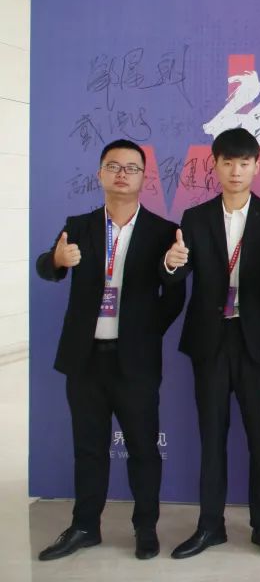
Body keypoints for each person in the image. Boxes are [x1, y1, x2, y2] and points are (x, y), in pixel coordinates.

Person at [36, 139, 185, 561]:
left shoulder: (163, 231)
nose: (122, 173)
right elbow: (47, 267)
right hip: (84, 359)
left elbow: (175, 295)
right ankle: (85, 526)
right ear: (100, 173)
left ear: (143, 177)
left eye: (131, 167)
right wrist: (57, 260)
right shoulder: (79, 225)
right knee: (88, 448)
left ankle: (145, 527)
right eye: (113, 166)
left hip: (134, 361)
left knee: (143, 449)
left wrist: (144, 333)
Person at [162, 127, 260, 559]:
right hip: (211, 340)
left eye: (244, 163)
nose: (236, 171)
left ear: (257, 167)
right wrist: (171, 264)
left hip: (257, 342)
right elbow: (179, 276)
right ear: (215, 166)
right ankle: (209, 526)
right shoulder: (194, 219)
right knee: (211, 435)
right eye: (228, 162)